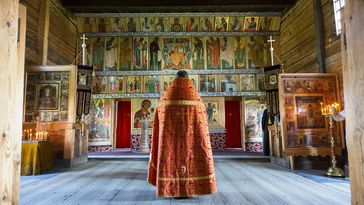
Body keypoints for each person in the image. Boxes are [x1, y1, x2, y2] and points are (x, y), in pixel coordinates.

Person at [148, 70, 217, 197]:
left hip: (170, 143)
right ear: (188, 78)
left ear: (174, 79)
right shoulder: (197, 102)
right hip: (191, 142)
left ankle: (171, 190)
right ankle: (192, 189)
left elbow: (158, 125)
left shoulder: (164, 102)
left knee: (172, 160)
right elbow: (202, 126)